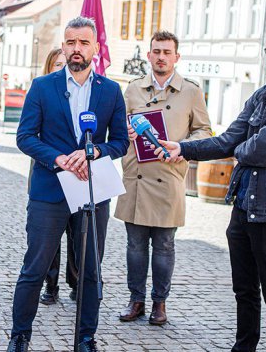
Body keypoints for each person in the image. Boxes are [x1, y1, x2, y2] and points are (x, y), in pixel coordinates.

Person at [154, 21, 266, 352]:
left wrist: (243, 150)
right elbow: (232, 139)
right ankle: (243, 347)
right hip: (244, 204)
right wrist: (183, 148)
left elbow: (258, 150)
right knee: (244, 288)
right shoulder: (263, 95)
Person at [7, 16, 130, 352]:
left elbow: (120, 141)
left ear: (96, 48)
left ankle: (86, 338)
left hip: (92, 190)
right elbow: (25, 137)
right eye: (71, 42)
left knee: (91, 271)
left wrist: (93, 151)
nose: (77, 49)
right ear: (64, 46)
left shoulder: (111, 91)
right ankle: (20, 336)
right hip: (49, 190)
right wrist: (59, 158)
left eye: (84, 43)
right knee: (34, 267)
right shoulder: (42, 86)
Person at [114, 31, 212, 326]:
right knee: (135, 246)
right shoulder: (132, 90)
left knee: (165, 245)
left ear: (176, 57)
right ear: (148, 56)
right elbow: (117, 131)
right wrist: (126, 133)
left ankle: (159, 303)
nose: (161, 57)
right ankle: (136, 300)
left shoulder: (191, 92)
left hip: (168, 177)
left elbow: (205, 132)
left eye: (167, 52)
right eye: (156, 51)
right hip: (137, 178)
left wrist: (183, 148)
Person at [32, 47, 79, 306]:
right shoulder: (41, 92)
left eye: (65, 64)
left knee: (76, 233)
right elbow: (28, 135)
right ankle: (51, 284)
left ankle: (76, 281)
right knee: (50, 237)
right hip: (49, 172)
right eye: (57, 64)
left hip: (79, 174)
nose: (62, 68)